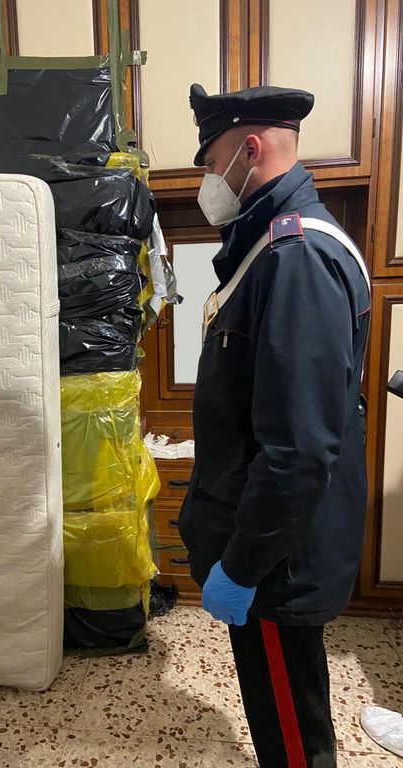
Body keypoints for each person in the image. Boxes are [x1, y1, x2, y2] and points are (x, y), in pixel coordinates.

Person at [178, 84, 371, 768]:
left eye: (211, 163)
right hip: (271, 549)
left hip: (273, 563)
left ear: (250, 149)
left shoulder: (296, 258)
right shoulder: (268, 247)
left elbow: (296, 451)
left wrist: (242, 566)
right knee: (288, 709)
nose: (207, 181)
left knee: (290, 731)